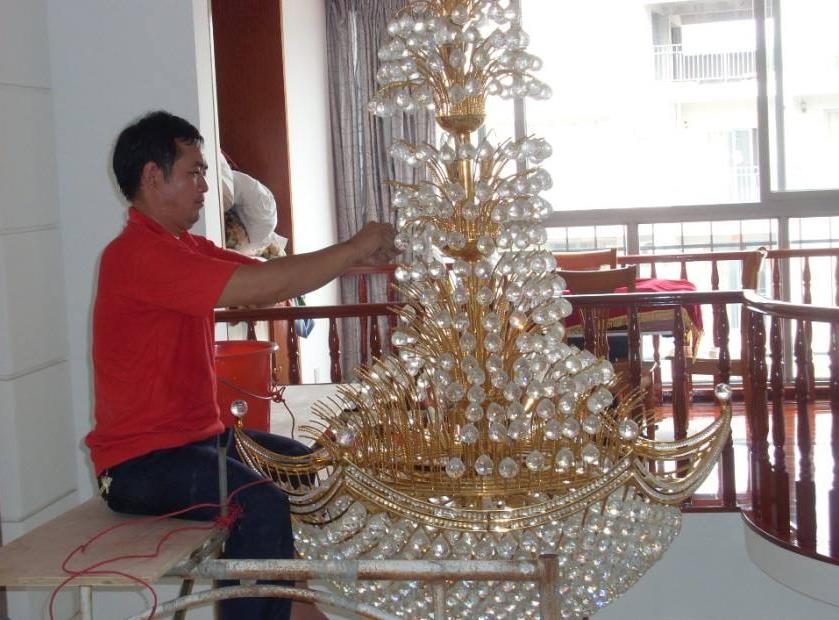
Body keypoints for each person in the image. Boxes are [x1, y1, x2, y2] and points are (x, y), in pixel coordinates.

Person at [86, 110, 398, 619]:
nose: (206, 187)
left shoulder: (184, 248)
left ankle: (293, 603)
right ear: (152, 176)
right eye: (194, 173)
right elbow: (266, 285)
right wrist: (352, 248)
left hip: (200, 443)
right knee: (261, 501)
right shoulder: (137, 257)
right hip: (141, 465)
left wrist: (353, 258)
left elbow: (268, 280)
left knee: (299, 466)